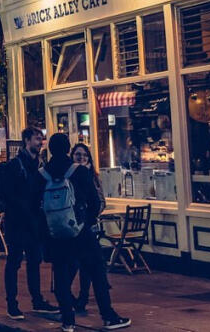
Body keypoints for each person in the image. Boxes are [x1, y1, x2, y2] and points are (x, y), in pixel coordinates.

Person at [38, 134, 130, 331]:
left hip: (55, 235)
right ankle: (108, 316)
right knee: (97, 272)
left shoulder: (42, 175)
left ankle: (68, 321)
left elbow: (36, 208)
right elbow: (95, 203)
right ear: (68, 149)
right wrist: (84, 223)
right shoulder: (79, 171)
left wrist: (48, 231)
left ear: (50, 149)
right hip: (81, 233)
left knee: (61, 276)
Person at [0, 127, 57, 320]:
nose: (40, 142)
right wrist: (23, 208)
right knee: (14, 262)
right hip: (17, 222)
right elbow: (8, 193)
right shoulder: (15, 165)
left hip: (34, 222)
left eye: (41, 139)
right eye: (37, 139)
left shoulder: (40, 165)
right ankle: (12, 304)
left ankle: (37, 300)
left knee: (34, 261)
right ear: (27, 140)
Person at [69, 143, 102, 314]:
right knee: (74, 262)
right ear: (72, 156)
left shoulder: (93, 176)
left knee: (87, 265)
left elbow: (100, 201)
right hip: (73, 226)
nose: (81, 158)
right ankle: (69, 297)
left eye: (84, 155)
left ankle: (83, 297)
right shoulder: (69, 175)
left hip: (89, 226)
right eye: (78, 154)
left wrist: (90, 216)